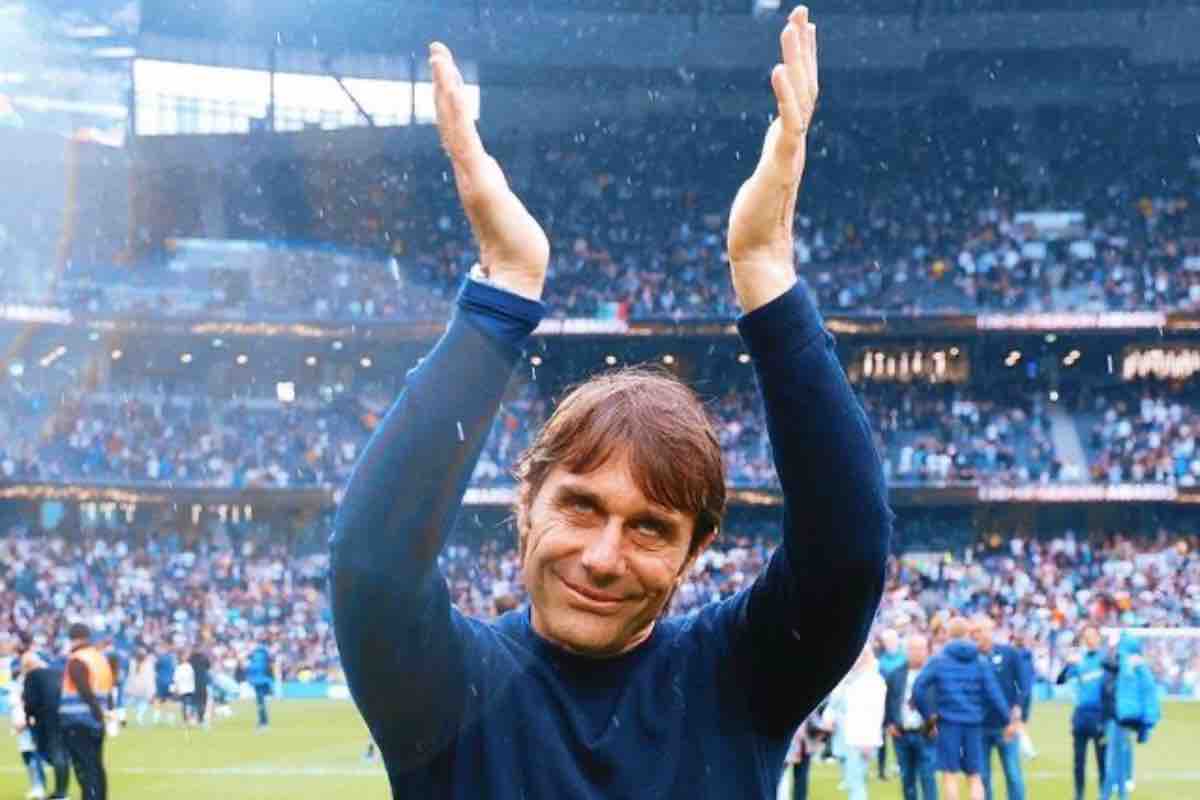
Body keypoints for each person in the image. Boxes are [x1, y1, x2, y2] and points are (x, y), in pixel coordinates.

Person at [329, 9, 893, 798]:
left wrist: (765, 271)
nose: (602, 557)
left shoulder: (739, 679)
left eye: (650, 528)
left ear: (695, 552)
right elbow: (372, 564)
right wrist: (502, 289)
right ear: (526, 502)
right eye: (581, 506)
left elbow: (848, 555)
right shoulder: (445, 688)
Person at [912, 617, 1009, 800]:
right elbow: (994, 693)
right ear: (968, 634)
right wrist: (1006, 720)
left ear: (948, 634)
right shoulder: (980, 661)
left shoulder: (939, 660)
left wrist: (928, 716)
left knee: (950, 774)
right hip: (974, 723)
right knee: (974, 776)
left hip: (948, 723)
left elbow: (918, 688)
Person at [970, 617, 1030, 800]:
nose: (977, 636)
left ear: (990, 632)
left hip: (1006, 725)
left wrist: (1018, 709)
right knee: (983, 777)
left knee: (1013, 774)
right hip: (979, 726)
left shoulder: (1009, 653)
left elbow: (1024, 685)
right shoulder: (970, 658)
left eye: (981, 631)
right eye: (975, 632)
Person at [1099, 634, 1160, 800]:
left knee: (1113, 760)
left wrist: (1147, 723)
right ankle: (1121, 794)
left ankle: (1107, 796)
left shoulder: (1129, 665)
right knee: (1118, 759)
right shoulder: (1131, 666)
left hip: (1122, 718)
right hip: (1119, 717)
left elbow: (1148, 696)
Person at [58, 623, 112, 800]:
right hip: (96, 721)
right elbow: (108, 691)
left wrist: (96, 712)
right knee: (96, 765)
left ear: (73, 639)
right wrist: (102, 716)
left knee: (84, 768)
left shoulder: (77, 659)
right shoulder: (100, 659)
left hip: (78, 720)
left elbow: (84, 690)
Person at [1056, 624, 1107, 800]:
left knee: (1102, 759)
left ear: (1098, 638)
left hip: (1100, 716)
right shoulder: (1079, 660)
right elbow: (1060, 680)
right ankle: (1079, 794)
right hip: (1081, 717)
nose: (1090, 639)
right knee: (1079, 761)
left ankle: (1103, 794)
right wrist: (1067, 664)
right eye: (1087, 637)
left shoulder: (1106, 659)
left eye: (1092, 636)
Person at [885, 634, 937, 800]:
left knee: (928, 777)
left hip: (926, 733)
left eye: (920, 648)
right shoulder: (895, 675)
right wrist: (890, 723)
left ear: (927, 651)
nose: (917, 652)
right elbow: (889, 701)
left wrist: (936, 723)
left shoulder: (935, 675)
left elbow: (942, 702)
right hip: (902, 734)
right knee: (907, 779)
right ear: (907, 651)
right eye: (913, 648)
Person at [835, 645, 888, 800]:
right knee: (854, 782)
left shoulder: (873, 681)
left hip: (862, 739)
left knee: (856, 784)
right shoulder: (854, 679)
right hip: (850, 736)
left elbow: (875, 713)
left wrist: (868, 741)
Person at [21, 650, 68, 800]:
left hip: (46, 718)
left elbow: (30, 701)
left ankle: (60, 794)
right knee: (60, 752)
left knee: (48, 752)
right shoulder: (57, 672)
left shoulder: (31, 676)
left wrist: (29, 717)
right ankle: (61, 792)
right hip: (64, 716)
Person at [11, 657, 47, 800]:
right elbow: (16, 703)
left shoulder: (39, 681)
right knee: (27, 755)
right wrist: (18, 721)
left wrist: (29, 719)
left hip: (34, 721)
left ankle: (39, 786)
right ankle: (36, 786)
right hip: (21, 720)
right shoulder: (19, 682)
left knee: (34, 755)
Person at [877, 628, 906, 781]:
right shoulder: (880, 660)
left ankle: (902, 766)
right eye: (887, 641)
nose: (889, 643)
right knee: (881, 738)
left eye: (891, 640)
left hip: (896, 703)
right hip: (882, 703)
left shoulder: (903, 659)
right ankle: (881, 770)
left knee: (898, 737)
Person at [244, 642, 276, 730]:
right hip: (264, 680)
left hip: (257, 681)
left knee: (260, 703)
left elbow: (250, 669)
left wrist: (249, 679)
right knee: (261, 702)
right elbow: (270, 666)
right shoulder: (265, 656)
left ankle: (263, 723)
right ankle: (263, 722)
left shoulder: (254, 657)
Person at [188, 645, 211, 729]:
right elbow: (208, 666)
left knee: (195, 702)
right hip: (201, 683)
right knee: (202, 702)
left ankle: (194, 719)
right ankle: (200, 719)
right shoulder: (203, 658)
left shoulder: (190, 659)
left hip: (194, 683)